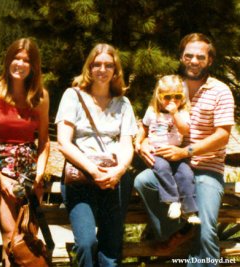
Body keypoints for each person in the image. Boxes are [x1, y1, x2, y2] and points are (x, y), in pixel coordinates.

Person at [134, 33, 235, 265]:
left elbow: (222, 136)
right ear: (181, 57)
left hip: (207, 168)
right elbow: (149, 120)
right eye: (188, 55)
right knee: (143, 181)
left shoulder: (220, 91)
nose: (194, 60)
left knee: (208, 230)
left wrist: (187, 152)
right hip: (171, 165)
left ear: (210, 60)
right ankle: (179, 228)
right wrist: (142, 143)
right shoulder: (169, 85)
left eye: (201, 56)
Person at [55, 43, 137, 266]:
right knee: (86, 243)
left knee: (111, 247)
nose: (102, 69)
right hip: (81, 176)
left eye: (108, 65)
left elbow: (127, 144)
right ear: (89, 67)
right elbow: (63, 142)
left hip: (115, 179)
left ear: (115, 70)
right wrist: (94, 171)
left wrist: (118, 171)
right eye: (97, 64)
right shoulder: (73, 96)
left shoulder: (123, 103)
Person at [0, 38, 50, 267]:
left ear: (34, 66)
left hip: (29, 167)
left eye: (26, 60)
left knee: (28, 232)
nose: (20, 64)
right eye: (16, 58)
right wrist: (0, 178)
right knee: (9, 232)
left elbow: (44, 140)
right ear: (8, 61)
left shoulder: (40, 96)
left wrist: (40, 173)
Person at [135, 75, 200, 224]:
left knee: (186, 173)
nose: (172, 101)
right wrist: (138, 142)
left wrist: (175, 114)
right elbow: (143, 128)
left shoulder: (182, 113)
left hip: (175, 151)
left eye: (177, 96)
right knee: (162, 168)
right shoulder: (152, 111)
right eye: (167, 97)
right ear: (159, 96)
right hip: (156, 152)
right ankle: (172, 201)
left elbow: (184, 131)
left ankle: (189, 211)